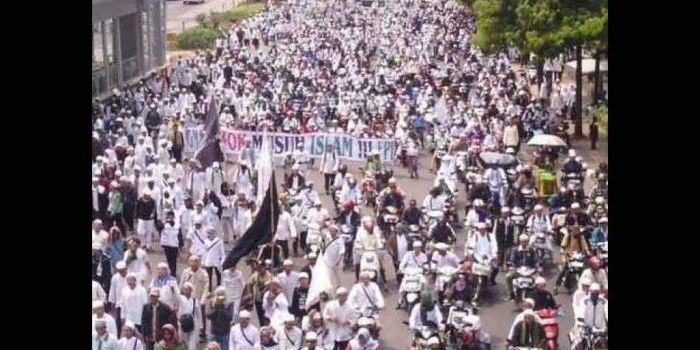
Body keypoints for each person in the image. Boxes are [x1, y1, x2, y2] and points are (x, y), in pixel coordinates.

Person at [179, 255, 210, 342]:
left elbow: (206, 287)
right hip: (187, 298)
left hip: (198, 298)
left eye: (195, 261)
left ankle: (202, 332)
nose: (193, 263)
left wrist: (203, 299)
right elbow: (181, 284)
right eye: (192, 261)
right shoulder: (186, 272)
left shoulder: (203, 273)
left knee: (201, 315)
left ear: (199, 263)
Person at [504, 235, 540, 301]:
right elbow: (512, 260)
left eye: (526, 241)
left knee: (539, 280)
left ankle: (538, 296)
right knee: (508, 277)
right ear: (520, 242)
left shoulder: (531, 250)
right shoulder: (515, 250)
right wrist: (513, 266)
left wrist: (537, 267)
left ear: (528, 242)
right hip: (518, 270)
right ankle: (511, 294)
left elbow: (536, 260)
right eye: (523, 242)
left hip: (529, 270)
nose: (524, 243)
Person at [353, 217, 384, 282]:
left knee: (380, 265)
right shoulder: (360, 231)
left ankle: (384, 281)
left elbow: (378, 239)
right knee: (357, 264)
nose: (370, 229)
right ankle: (357, 278)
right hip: (363, 252)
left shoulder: (375, 231)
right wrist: (358, 246)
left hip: (374, 251)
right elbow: (358, 240)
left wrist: (381, 245)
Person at [177, 282, 202, 350]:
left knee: (192, 345)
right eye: (184, 289)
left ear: (191, 290)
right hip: (182, 323)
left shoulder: (195, 301)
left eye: (187, 289)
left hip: (192, 323)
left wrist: (200, 326)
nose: (185, 291)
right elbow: (175, 296)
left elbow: (199, 314)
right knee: (183, 342)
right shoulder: (180, 298)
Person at [204, 226, 226, 292]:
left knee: (218, 276)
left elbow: (223, 253)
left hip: (217, 261)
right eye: (207, 233)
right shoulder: (206, 241)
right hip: (208, 261)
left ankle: (219, 290)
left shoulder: (219, 241)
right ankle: (208, 290)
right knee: (208, 277)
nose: (208, 235)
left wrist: (222, 261)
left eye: (210, 233)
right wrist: (203, 261)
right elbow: (205, 252)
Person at [160, 211, 182, 276]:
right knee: (169, 259)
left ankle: (173, 272)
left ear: (173, 217)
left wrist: (180, 246)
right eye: (169, 216)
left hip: (174, 245)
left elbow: (179, 236)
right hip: (167, 245)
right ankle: (170, 271)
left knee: (174, 259)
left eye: (171, 216)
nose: (170, 218)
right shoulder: (164, 225)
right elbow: (158, 227)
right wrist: (165, 222)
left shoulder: (177, 225)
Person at [323, 225, 345, 290]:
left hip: (338, 262)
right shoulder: (327, 237)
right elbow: (322, 230)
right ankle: (328, 292)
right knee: (328, 278)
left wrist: (338, 261)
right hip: (328, 262)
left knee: (338, 279)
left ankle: (339, 290)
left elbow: (342, 251)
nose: (332, 232)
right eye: (331, 230)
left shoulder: (340, 240)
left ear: (336, 231)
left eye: (333, 231)